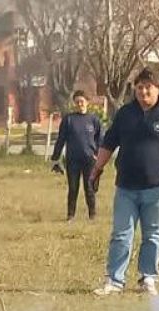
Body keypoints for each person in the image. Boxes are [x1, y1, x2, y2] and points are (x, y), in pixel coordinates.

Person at [90, 69, 159, 297]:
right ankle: (114, 280)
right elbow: (108, 144)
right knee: (121, 234)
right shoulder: (125, 114)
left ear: (158, 89)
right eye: (139, 87)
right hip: (126, 187)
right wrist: (97, 169)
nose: (143, 91)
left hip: (157, 188)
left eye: (148, 87)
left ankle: (148, 278)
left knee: (153, 234)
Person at [51, 90, 101, 221]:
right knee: (73, 188)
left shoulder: (94, 120)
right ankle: (70, 216)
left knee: (89, 188)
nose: (80, 104)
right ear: (74, 103)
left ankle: (92, 215)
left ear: (87, 102)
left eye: (82, 101)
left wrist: (98, 156)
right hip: (72, 160)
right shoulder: (68, 119)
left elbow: (100, 140)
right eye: (77, 102)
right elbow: (61, 139)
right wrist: (55, 158)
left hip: (89, 160)